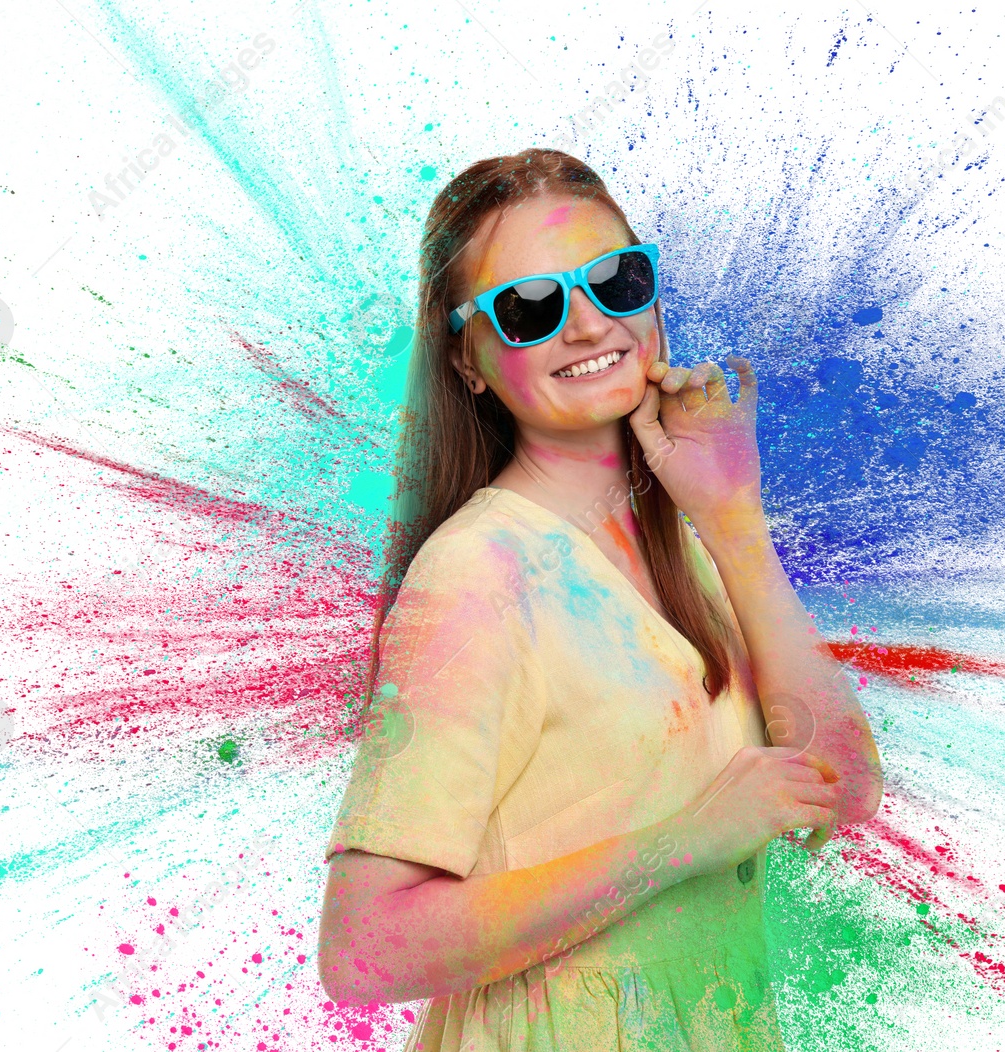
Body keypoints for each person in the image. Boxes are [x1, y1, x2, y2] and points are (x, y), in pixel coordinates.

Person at [318, 148, 883, 1051]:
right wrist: (680, 842)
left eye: (616, 281)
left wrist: (735, 522)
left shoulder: (685, 551)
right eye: (531, 306)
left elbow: (842, 789)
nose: (587, 326)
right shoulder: (479, 576)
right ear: (467, 359)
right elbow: (365, 952)